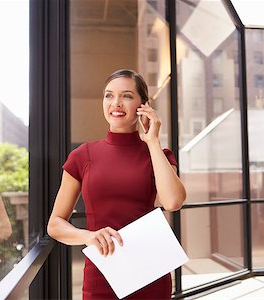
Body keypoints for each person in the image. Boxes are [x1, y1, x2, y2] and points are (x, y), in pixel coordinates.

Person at [47, 69, 186, 299]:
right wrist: (88, 236)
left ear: (144, 105)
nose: (116, 103)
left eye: (127, 96)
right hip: (101, 275)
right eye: (109, 95)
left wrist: (151, 140)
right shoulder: (82, 156)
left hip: (151, 272)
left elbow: (172, 202)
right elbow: (54, 224)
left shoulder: (159, 155)